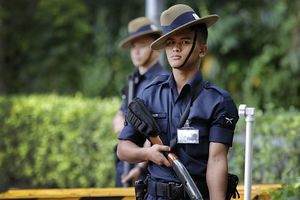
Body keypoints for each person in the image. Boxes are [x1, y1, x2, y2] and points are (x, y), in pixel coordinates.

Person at [117, 4, 239, 200]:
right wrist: (147, 154)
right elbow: (123, 148)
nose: (175, 48)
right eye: (170, 42)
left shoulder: (219, 101)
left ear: (202, 50)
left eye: (184, 41)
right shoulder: (149, 95)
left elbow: (217, 161)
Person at [113, 17, 169, 187]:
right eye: (133, 47)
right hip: (124, 163)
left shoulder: (163, 80)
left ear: (157, 50)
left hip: (146, 169)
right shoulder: (133, 80)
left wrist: (139, 167)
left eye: (142, 46)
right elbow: (118, 120)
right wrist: (131, 127)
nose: (136, 52)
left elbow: (157, 131)